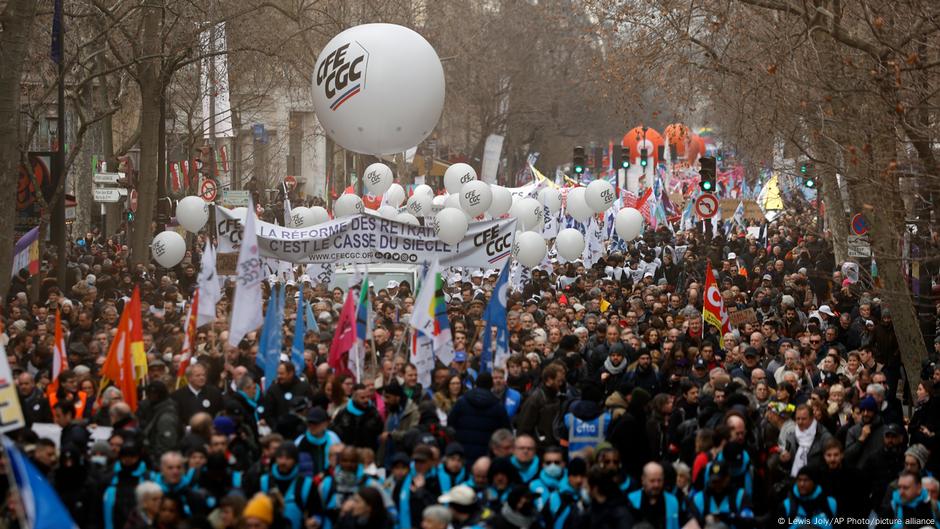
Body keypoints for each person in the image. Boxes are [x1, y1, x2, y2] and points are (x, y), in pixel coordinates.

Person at [448, 373, 511, 463]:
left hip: (463, 451)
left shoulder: (462, 402)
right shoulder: (498, 406)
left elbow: (450, 423)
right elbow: (506, 430)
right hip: (486, 454)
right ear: (491, 385)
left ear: (476, 384)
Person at [626, 462, 686, 529]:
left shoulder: (673, 501)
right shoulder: (631, 500)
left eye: (659, 480)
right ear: (643, 480)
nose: (656, 485)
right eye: (652, 481)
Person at [333, 384, 385, 452]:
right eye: (362, 398)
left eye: (368, 397)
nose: (366, 400)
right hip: (348, 452)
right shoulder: (343, 413)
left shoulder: (374, 413)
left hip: (368, 452)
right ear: (354, 398)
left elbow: (380, 432)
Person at [295, 407, 341, 477]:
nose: (312, 426)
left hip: (329, 479)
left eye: (316, 423)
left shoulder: (333, 438)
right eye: (310, 423)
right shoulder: (299, 441)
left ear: (325, 423)